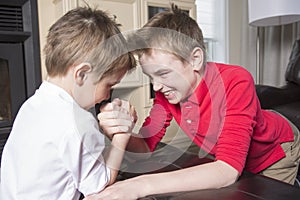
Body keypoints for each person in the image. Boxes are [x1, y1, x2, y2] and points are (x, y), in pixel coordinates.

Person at [86, 3, 300, 200]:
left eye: (163, 73)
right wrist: (122, 132)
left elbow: (227, 170)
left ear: (195, 59)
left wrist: (138, 185)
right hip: (233, 158)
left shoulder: (235, 81)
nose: (157, 87)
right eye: (151, 77)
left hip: (275, 151)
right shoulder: (166, 93)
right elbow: (146, 146)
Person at [0, 6, 137, 200]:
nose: (107, 95)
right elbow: (98, 184)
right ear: (81, 74)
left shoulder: (32, 105)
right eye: (109, 85)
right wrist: (122, 135)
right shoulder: (78, 121)